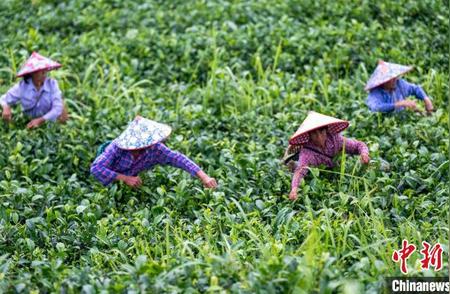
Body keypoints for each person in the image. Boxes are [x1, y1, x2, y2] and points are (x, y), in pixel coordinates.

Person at [91, 116, 218, 189]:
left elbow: (179, 159)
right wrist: (125, 179)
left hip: (133, 184)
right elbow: (96, 168)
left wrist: (204, 177)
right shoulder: (116, 147)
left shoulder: (155, 149)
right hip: (108, 183)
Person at [283, 111, 370, 201]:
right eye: (314, 134)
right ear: (309, 135)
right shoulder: (307, 153)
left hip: (334, 168)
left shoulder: (335, 139)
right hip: (312, 167)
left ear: (326, 130)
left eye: (321, 131)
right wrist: (294, 189)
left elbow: (358, 145)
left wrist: (364, 153)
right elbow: (300, 171)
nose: (319, 137)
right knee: (293, 166)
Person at [0, 52, 68, 129]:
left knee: (61, 103)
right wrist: (6, 107)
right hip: (28, 123)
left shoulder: (52, 84)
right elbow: (3, 99)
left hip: (48, 123)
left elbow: (57, 108)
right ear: (32, 73)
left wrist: (41, 120)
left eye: (45, 69)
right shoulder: (22, 87)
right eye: (40, 70)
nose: (44, 72)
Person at [365, 60, 433, 113]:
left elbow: (415, 88)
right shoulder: (376, 93)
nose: (394, 80)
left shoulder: (399, 84)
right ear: (383, 82)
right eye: (390, 79)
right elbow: (376, 107)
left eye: (394, 77)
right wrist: (399, 104)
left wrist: (426, 99)